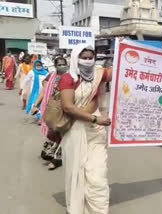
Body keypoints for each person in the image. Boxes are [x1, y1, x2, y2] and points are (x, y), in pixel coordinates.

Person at [59, 44, 112, 214]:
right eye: (84, 58)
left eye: (91, 58)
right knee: (77, 173)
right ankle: (76, 208)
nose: (88, 61)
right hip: (75, 130)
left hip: (96, 131)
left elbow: (122, 71)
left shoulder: (99, 74)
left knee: (98, 174)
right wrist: (95, 118)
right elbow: (68, 107)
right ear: (76, 58)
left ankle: (98, 210)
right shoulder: (68, 78)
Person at [31, 57, 69, 170]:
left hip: (65, 109)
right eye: (59, 64)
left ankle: (57, 158)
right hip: (51, 108)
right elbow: (44, 91)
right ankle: (51, 151)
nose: (62, 66)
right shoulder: (51, 76)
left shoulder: (71, 77)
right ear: (55, 65)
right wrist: (36, 105)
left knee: (63, 132)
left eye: (64, 64)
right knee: (51, 132)